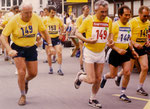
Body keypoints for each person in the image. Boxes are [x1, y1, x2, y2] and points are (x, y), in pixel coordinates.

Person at [0, 2, 54, 106]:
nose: (29, 15)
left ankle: (25, 81)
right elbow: (3, 36)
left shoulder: (36, 18)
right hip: (17, 47)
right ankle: (23, 95)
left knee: (33, 73)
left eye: (31, 12)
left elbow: (45, 32)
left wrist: (50, 45)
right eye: (26, 13)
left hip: (31, 47)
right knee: (21, 72)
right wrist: (9, 49)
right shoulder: (14, 20)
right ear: (20, 12)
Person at [74, 0, 114, 108]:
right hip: (90, 51)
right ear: (95, 10)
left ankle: (92, 99)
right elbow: (77, 32)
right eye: (102, 12)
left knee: (98, 79)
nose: (104, 14)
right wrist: (87, 40)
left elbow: (110, 32)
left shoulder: (109, 21)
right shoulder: (88, 20)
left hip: (101, 52)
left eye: (106, 11)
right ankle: (80, 77)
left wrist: (110, 40)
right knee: (91, 80)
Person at [100, 5, 139, 103]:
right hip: (114, 53)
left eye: (129, 15)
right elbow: (109, 42)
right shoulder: (114, 25)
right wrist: (118, 50)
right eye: (125, 15)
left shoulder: (129, 25)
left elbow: (129, 40)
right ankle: (105, 77)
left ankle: (123, 93)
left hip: (125, 52)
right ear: (120, 15)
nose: (127, 17)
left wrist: (133, 50)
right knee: (113, 75)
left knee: (127, 72)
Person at [115, 6, 150, 96]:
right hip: (132, 48)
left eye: (148, 16)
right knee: (128, 71)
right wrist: (134, 44)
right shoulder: (132, 22)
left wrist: (147, 41)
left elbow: (146, 34)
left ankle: (140, 87)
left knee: (145, 67)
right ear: (139, 14)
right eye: (144, 16)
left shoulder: (148, 23)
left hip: (142, 48)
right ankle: (119, 75)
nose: (146, 18)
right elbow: (127, 37)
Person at [43, 6, 64, 76]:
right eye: (52, 12)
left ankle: (59, 69)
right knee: (49, 54)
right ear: (48, 12)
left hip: (56, 38)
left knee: (59, 52)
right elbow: (41, 29)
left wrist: (61, 34)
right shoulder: (45, 20)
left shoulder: (58, 19)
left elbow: (62, 26)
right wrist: (43, 36)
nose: (53, 14)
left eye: (54, 12)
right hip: (48, 39)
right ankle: (50, 68)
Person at [76, 5, 90, 71]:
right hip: (82, 34)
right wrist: (80, 38)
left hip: (88, 34)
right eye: (85, 10)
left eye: (88, 10)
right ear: (83, 11)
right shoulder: (80, 18)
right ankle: (81, 67)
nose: (87, 12)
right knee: (82, 52)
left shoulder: (90, 17)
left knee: (89, 52)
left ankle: (89, 67)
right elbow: (78, 29)